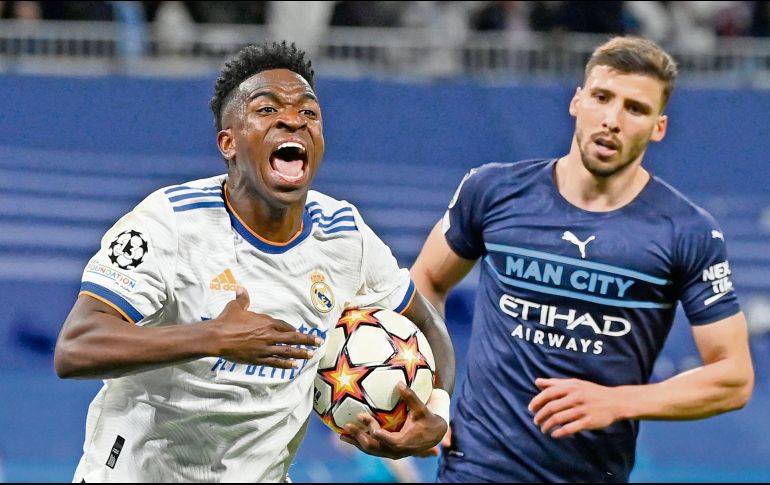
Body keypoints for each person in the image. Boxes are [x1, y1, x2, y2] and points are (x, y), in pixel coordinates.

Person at [54, 40, 454, 482]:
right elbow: (76, 346)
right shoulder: (169, 222)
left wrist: (436, 409)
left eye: (309, 112)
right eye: (266, 110)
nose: (292, 120)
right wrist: (211, 337)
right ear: (228, 143)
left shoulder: (345, 233)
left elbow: (428, 325)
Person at [410, 36, 754, 482]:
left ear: (658, 127)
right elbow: (426, 281)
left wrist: (620, 401)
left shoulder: (687, 231)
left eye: (635, 108)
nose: (612, 119)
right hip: (475, 467)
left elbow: (734, 375)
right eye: (602, 97)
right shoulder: (493, 190)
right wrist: (434, 390)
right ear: (577, 101)